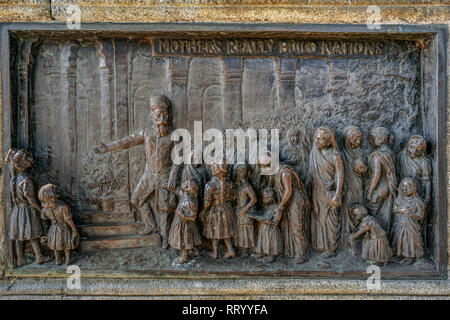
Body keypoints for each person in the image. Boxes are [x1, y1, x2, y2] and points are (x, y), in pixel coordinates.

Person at [93, 95, 180, 248]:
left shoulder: (175, 136)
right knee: (136, 199)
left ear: (169, 116)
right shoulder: (146, 133)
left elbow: (178, 161)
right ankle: (151, 224)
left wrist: (172, 178)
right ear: (152, 117)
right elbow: (127, 141)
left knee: (165, 210)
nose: (161, 118)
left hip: (165, 176)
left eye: (164, 115)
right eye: (158, 115)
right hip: (149, 174)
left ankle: (166, 240)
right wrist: (108, 147)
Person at [5, 149, 48, 266]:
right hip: (28, 211)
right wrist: (41, 210)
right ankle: (39, 257)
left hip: (18, 210)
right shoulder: (26, 180)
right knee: (32, 235)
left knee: (20, 237)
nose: (31, 159)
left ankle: (20, 259)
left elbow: (9, 161)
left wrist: (11, 156)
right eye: (27, 158)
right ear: (20, 164)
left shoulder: (14, 177)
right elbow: (32, 201)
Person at [308, 126, 345, 258]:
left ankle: (332, 247)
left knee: (331, 220)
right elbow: (311, 175)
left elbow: (340, 175)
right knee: (318, 218)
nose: (319, 141)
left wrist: (337, 194)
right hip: (317, 192)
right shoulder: (314, 154)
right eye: (317, 138)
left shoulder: (335, 156)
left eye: (323, 138)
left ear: (330, 140)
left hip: (330, 193)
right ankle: (321, 245)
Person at [200, 162, 236, 259]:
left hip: (215, 210)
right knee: (225, 230)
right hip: (227, 209)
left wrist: (203, 211)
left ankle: (215, 252)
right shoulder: (230, 184)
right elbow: (233, 198)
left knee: (214, 230)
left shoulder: (210, 185)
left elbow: (207, 202)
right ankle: (230, 249)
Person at [366, 127, 397, 235]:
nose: (371, 139)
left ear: (380, 138)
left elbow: (376, 175)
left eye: (373, 137)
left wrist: (370, 191)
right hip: (389, 186)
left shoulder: (377, 155)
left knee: (371, 212)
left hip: (379, 187)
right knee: (384, 214)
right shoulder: (390, 152)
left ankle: (376, 239)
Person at [38, 184, 79, 266]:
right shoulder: (63, 206)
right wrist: (74, 230)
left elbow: (44, 219)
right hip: (64, 227)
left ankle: (58, 260)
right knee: (67, 244)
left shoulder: (44, 209)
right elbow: (69, 220)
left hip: (53, 228)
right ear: (53, 195)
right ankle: (67, 260)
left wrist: (46, 231)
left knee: (55, 245)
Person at [341, 126, 368, 249]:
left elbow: (367, 172)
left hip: (358, 185)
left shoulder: (361, 152)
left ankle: (359, 239)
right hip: (346, 187)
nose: (357, 142)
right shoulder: (342, 154)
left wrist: (364, 169)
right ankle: (347, 240)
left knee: (359, 210)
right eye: (354, 139)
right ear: (347, 139)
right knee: (347, 212)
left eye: (359, 139)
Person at [165, 179, 202, 264]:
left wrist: (181, 215)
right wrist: (169, 187)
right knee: (187, 239)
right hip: (179, 222)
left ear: (188, 188)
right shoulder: (184, 195)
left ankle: (184, 257)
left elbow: (193, 217)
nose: (183, 182)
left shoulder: (190, 201)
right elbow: (178, 191)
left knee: (185, 240)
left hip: (185, 225)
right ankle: (194, 251)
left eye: (186, 183)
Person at [391, 178, 425, 265]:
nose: (405, 189)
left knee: (409, 241)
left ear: (414, 188)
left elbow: (420, 216)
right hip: (399, 226)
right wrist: (403, 211)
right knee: (400, 240)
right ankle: (400, 254)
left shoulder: (418, 201)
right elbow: (395, 210)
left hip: (411, 227)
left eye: (408, 187)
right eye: (403, 186)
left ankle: (410, 256)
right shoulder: (398, 200)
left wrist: (410, 214)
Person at [249, 188, 283, 263]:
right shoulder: (266, 207)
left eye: (267, 198)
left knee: (270, 241)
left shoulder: (277, 208)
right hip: (263, 228)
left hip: (271, 230)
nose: (265, 200)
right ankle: (262, 252)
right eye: (264, 197)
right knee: (263, 240)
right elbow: (260, 213)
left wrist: (256, 217)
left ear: (273, 198)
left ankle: (271, 256)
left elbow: (275, 222)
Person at [398, 135, 431, 206]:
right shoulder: (402, 157)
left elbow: (427, 181)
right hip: (403, 191)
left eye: (418, 150)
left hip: (417, 192)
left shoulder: (424, 162)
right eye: (412, 148)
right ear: (408, 146)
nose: (414, 152)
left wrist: (427, 198)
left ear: (422, 151)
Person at [233, 164, 257, 257]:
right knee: (240, 230)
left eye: (238, 173)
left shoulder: (247, 186)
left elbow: (254, 199)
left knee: (246, 231)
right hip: (239, 211)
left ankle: (246, 250)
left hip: (245, 212)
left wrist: (245, 209)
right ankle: (241, 248)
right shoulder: (238, 186)